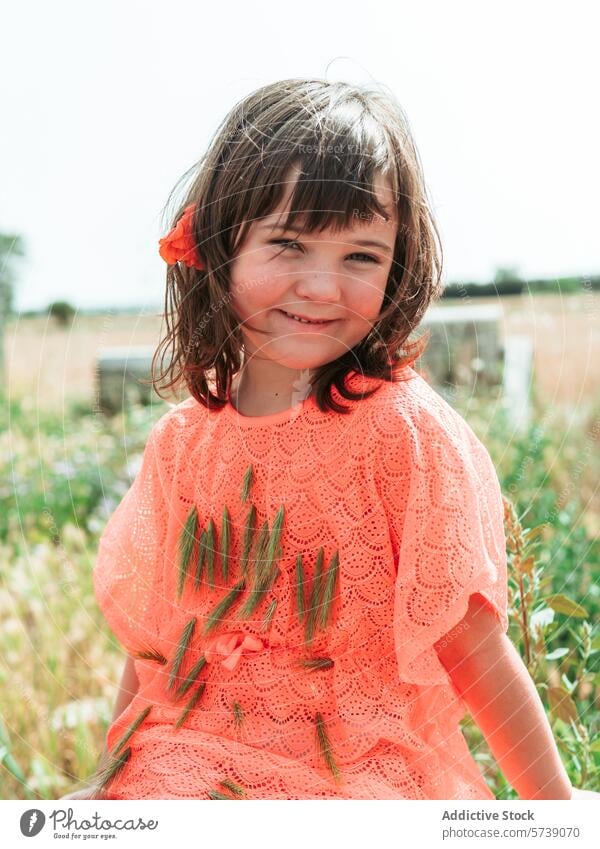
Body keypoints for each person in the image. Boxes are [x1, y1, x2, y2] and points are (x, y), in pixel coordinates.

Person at [62, 78, 583, 801]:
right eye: (288, 244)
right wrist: (105, 785)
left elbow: (473, 646)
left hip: (358, 767)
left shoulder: (404, 433)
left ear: (399, 265)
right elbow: (161, 647)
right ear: (218, 246)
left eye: (361, 257)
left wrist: (558, 814)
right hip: (197, 756)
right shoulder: (182, 445)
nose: (322, 286)